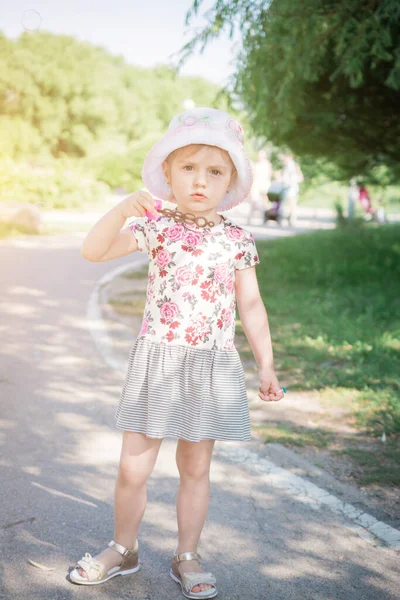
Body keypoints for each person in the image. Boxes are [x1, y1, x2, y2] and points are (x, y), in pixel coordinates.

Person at [69, 107, 285, 597]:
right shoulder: (157, 227)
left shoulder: (236, 239)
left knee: (196, 468)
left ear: (230, 180)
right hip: (158, 359)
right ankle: (123, 548)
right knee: (133, 466)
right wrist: (124, 208)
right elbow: (94, 251)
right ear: (167, 172)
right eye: (189, 168)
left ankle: (187, 554)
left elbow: (251, 304)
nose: (201, 181)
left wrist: (266, 365)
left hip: (209, 364)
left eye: (215, 171)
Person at [247, 149, 272, 224]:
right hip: (256, 185)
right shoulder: (257, 164)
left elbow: (268, 175)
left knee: (264, 203)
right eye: (259, 155)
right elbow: (254, 175)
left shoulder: (267, 164)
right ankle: (249, 219)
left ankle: (265, 217)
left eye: (262, 155)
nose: (260, 156)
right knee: (253, 201)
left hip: (264, 186)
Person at [278, 152, 303, 227]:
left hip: (292, 187)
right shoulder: (285, 166)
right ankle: (285, 219)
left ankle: (292, 220)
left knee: (292, 204)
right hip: (286, 187)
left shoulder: (294, 166)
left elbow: (300, 177)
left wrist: (294, 181)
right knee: (285, 204)